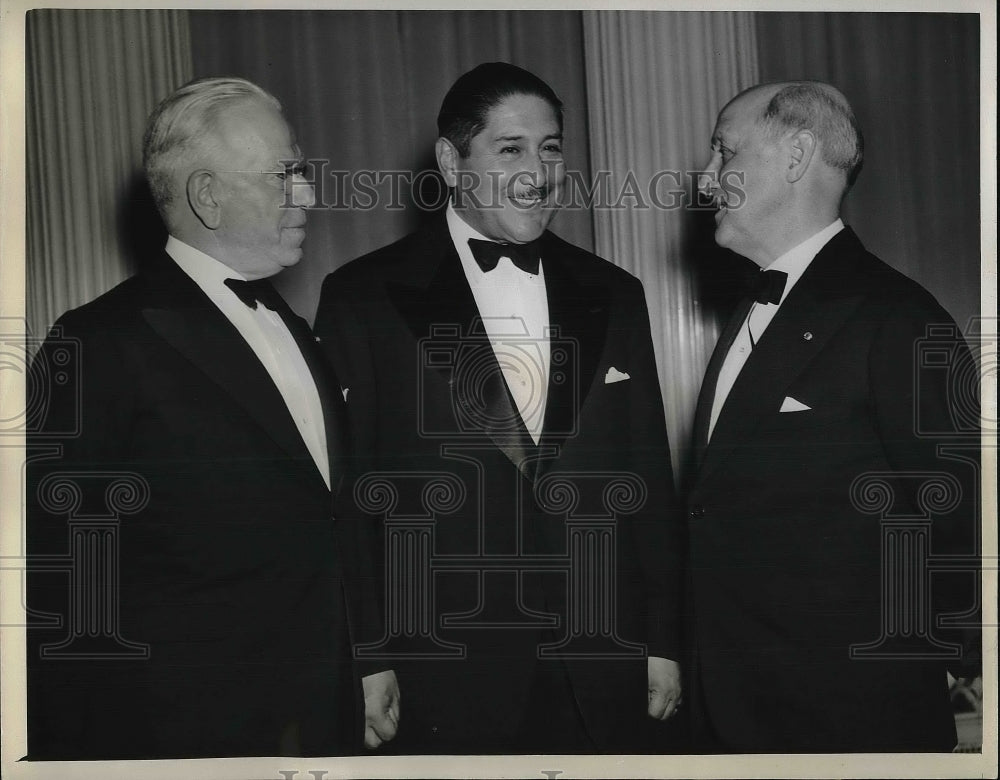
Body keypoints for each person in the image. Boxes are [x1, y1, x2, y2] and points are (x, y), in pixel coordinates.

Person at [313, 62, 684, 754]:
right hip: (443, 673)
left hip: (604, 661)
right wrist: (369, 655)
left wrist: (663, 639)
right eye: (510, 149)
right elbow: (348, 502)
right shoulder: (362, 296)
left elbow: (650, 480)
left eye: (550, 148)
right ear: (452, 162)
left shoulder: (616, 291)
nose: (539, 172)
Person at [25, 76, 398, 759]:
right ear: (208, 195)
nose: (308, 194)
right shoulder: (98, 342)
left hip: (326, 715)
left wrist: (367, 659)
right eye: (287, 174)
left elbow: (334, 516)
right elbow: (65, 591)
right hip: (182, 736)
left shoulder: (295, 326)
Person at [688, 81, 980, 752]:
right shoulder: (748, 311)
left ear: (795, 157)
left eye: (723, 154)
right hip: (733, 716)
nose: (706, 182)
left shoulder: (897, 317)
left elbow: (964, 520)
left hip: (848, 724)